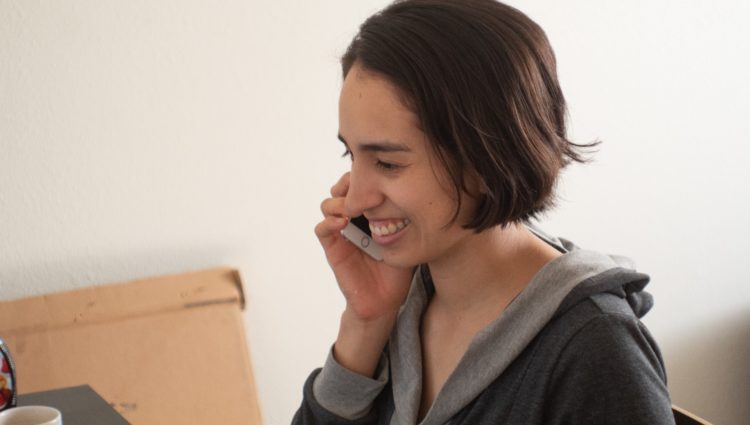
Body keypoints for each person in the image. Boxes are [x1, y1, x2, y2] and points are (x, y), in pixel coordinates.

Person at [293, 0, 674, 424]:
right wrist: (365, 322)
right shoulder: (406, 301)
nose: (355, 199)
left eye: (388, 163)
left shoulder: (596, 351)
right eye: (352, 154)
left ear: (486, 157)